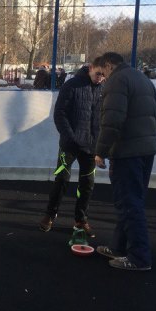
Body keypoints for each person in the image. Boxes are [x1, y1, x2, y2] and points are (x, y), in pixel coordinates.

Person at [94, 52, 156, 271]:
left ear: (108, 65)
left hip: (127, 153)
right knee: (133, 200)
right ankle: (118, 247)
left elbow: (112, 121)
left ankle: (139, 257)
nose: (103, 78)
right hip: (146, 151)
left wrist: (101, 152)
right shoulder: (143, 79)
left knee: (129, 203)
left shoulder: (117, 81)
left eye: (102, 73)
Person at [40, 58, 104, 237]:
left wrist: (100, 144)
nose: (100, 77)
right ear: (90, 68)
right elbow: (59, 114)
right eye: (98, 73)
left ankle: (80, 220)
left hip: (91, 146)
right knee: (61, 179)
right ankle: (50, 214)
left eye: (104, 75)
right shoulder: (72, 85)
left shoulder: (104, 90)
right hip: (70, 145)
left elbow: (104, 118)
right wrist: (70, 136)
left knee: (87, 184)